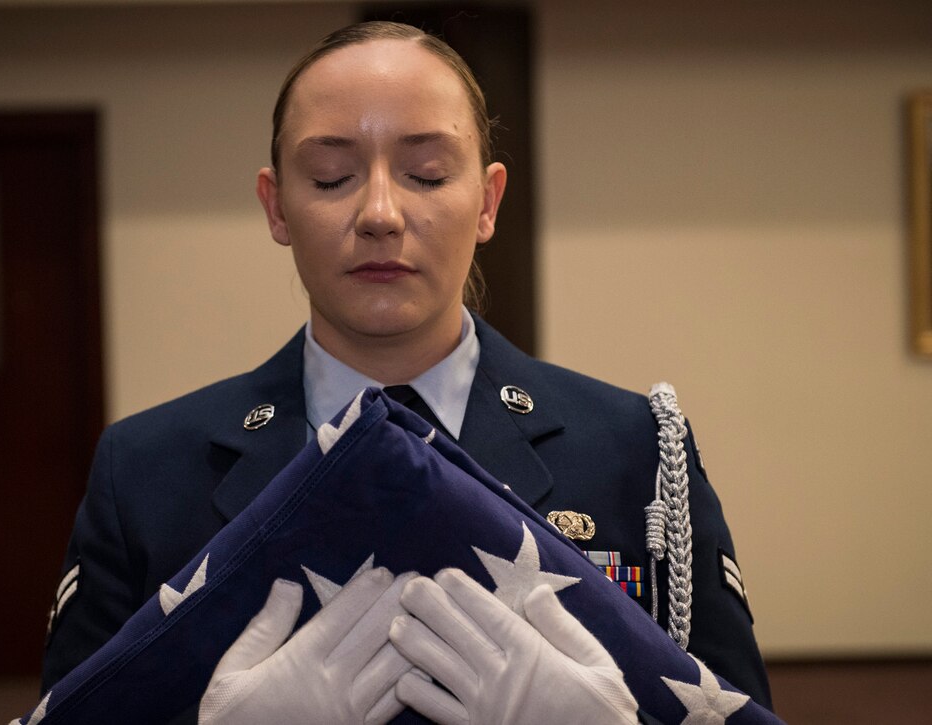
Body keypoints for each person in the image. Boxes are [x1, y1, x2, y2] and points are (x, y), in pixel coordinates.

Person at [41, 20, 772, 722]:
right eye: (331, 178)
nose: (381, 213)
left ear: (486, 202)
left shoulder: (635, 449)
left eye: (426, 173)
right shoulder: (146, 470)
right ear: (276, 207)